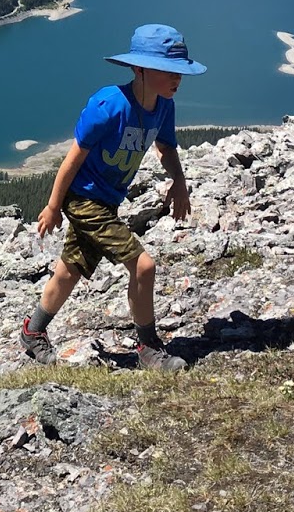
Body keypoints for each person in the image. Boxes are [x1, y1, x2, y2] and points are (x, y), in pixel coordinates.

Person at [20, 24, 207, 372]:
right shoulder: (108, 105)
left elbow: (165, 147)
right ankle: (148, 347)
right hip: (83, 200)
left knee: (69, 272)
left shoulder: (164, 107)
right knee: (143, 265)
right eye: (168, 71)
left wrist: (179, 181)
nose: (176, 79)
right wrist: (53, 205)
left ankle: (33, 331)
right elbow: (72, 158)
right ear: (139, 69)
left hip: (107, 202)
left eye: (180, 72)